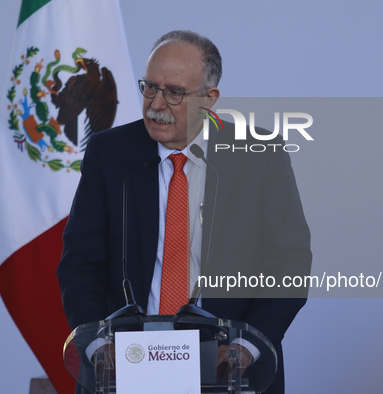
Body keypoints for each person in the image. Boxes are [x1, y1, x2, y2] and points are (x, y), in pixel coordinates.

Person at [57, 30, 312, 393]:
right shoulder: (109, 154)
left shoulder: (260, 155)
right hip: (124, 366)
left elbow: (289, 265)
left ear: (209, 99)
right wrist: (100, 346)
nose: (156, 104)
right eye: (150, 87)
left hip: (228, 369)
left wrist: (244, 348)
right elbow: (80, 262)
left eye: (174, 92)